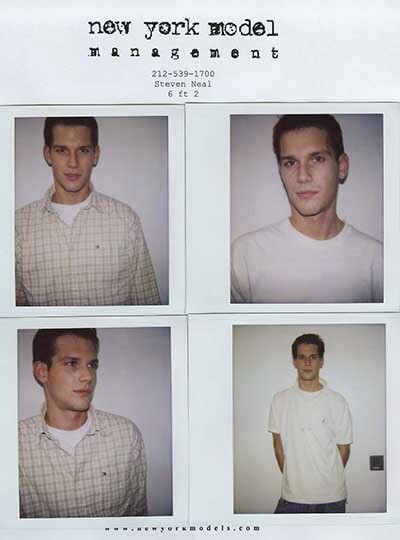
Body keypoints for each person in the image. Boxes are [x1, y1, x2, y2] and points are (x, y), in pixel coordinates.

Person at [231, 114, 383, 303]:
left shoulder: (378, 261)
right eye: (290, 163)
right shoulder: (245, 256)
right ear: (281, 172)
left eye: (317, 159)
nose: (303, 176)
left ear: (342, 167)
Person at [16, 117, 161, 306]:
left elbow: (148, 306)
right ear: (48, 154)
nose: (73, 162)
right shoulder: (18, 226)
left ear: (95, 155)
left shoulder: (126, 221)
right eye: (62, 150)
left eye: (83, 150)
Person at [19, 328, 148, 518]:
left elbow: (137, 519)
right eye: (72, 363)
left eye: (92, 365)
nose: (88, 376)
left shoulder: (126, 436)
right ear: (42, 372)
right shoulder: (15, 445)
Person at [268, 333, 352, 514]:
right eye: (301, 357)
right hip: (292, 496)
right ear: (294, 362)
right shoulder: (279, 400)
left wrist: (327, 479)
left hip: (332, 498)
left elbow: (344, 448)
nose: (307, 362)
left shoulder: (338, 402)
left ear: (321, 361)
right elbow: (278, 446)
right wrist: (294, 480)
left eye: (313, 357)